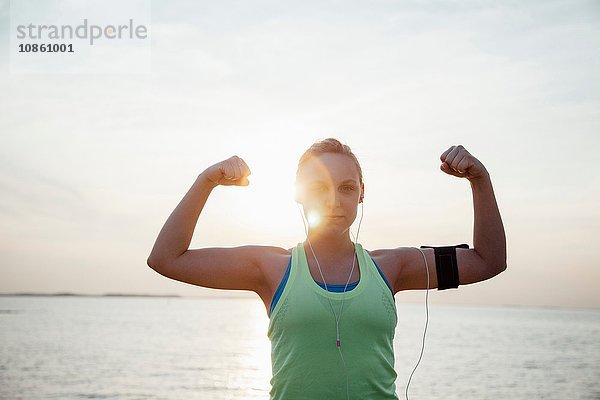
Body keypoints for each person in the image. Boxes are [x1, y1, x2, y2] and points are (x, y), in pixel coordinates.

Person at [146, 138, 507, 400]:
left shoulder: (392, 267)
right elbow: (166, 259)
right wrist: (206, 181)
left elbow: (488, 261)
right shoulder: (271, 268)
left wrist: (480, 179)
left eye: (346, 188)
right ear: (298, 193)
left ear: (361, 194)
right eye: (319, 187)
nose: (334, 200)